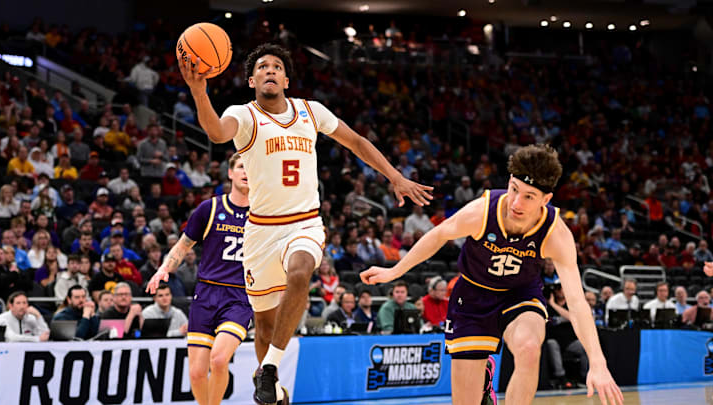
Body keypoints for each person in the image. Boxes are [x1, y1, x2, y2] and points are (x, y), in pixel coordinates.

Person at [179, 42, 432, 405]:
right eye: (262, 67)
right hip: (260, 232)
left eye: (277, 67)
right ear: (252, 80)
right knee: (264, 327)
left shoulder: (310, 111)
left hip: (304, 223)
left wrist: (394, 176)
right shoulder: (245, 115)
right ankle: (276, 389)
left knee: (300, 271)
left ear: (285, 78)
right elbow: (217, 132)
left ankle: (269, 369)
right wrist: (199, 92)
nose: (270, 70)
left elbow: (357, 142)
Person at [361, 145, 622, 405]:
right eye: (514, 189)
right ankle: (484, 377)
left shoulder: (556, 234)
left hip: (520, 293)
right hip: (473, 295)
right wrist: (394, 270)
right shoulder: (483, 211)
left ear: (546, 199)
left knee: (530, 347)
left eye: (529, 196)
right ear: (509, 182)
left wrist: (597, 361)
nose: (516, 203)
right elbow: (439, 234)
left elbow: (577, 302)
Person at [146, 153, 254, 405]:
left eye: (250, 167)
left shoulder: (264, 213)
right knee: (196, 372)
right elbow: (183, 246)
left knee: (218, 359)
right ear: (230, 173)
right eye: (240, 167)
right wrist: (164, 268)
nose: (246, 171)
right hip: (206, 293)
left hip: (239, 296)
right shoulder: (209, 208)